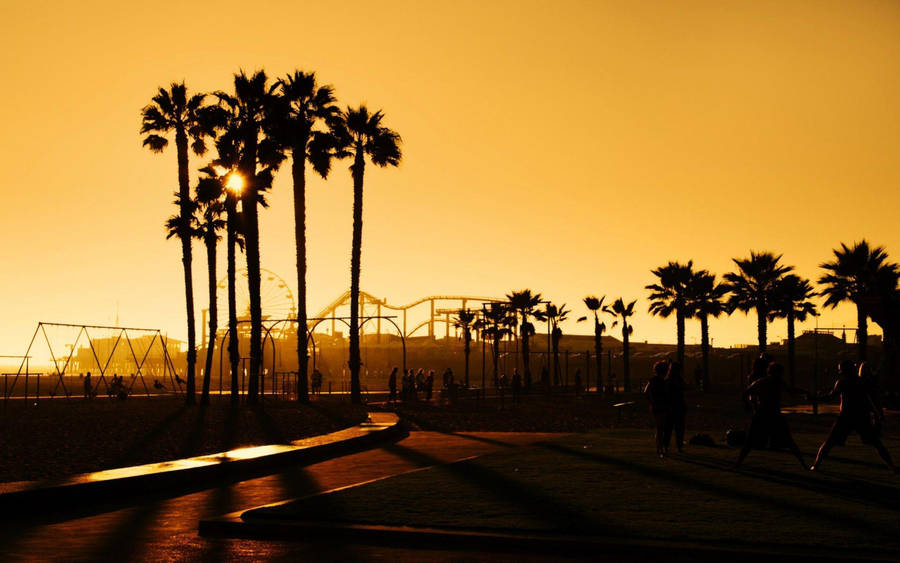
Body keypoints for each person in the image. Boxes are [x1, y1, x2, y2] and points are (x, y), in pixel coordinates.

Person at [810, 360, 897, 473]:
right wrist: (878, 414)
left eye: (841, 370)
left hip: (846, 417)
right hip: (861, 417)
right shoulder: (861, 382)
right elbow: (872, 399)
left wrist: (814, 398)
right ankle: (891, 466)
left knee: (829, 443)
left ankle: (816, 465)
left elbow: (830, 397)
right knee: (876, 443)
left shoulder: (843, 383)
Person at [734, 362, 807, 469]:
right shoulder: (775, 382)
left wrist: (747, 405)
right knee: (788, 441)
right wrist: (804, 392)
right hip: (772, 414)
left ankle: (738, 464)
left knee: (750, 440)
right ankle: (804, 464)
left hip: (763, 413)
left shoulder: (762, 382)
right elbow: (791, 390)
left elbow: (746, 393)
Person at [644, 361, 670, 458]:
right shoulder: (664, 382)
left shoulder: (653, 380)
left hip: (656, 405)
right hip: (662, 405)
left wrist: (651, 402)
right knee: (661, 428)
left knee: (660, 428)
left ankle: (659, 447)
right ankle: (661, 448)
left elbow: (646, 392)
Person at [664, 361, 687, 453]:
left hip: (671, 407)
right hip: (677, 406)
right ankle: (679, 446)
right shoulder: (678, 380)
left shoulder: (668, 380)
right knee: (678, 428)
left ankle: (666, 446)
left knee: (668, 428)